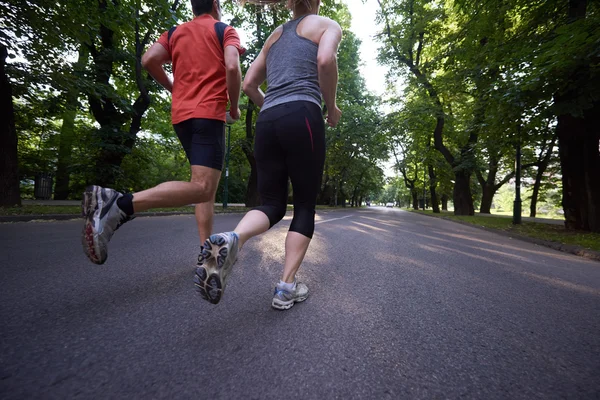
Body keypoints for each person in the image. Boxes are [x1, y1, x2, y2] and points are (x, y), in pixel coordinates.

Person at [194, 0, 342, 310]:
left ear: (290, 4)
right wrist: (331, 107)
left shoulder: (273, 36)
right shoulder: (327, 25)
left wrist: (276, 110)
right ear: (317, 2)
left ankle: (233, 237)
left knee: (272, 204)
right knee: (303, 204)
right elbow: (326, 61)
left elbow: (249, 84)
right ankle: (286, 286)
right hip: (304, 113)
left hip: (268, 119)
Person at [81, 0, 244, 266]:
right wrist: (235, 108)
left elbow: (148, 59)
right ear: (215, 5)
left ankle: (207, 252)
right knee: (203, 188)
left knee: (201, 186)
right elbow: (233, 67)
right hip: (208, 114)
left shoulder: (174, 32)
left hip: (182, 117)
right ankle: (119, 205)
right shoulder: (225, 30)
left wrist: (173, 88)